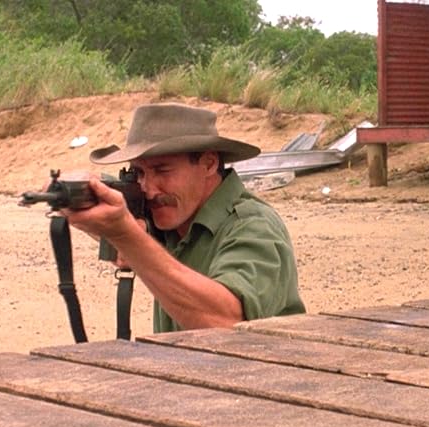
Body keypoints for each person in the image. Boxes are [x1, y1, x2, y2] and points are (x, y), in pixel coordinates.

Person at [60, 102, 305, 333]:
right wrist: (77, 196)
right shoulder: (170, 215)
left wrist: (127, 236)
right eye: (138, 173)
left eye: (162, 170)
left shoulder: (254, 226)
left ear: (208, 164)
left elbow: (227, 321)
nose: (149, 188)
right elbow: (116, 213)